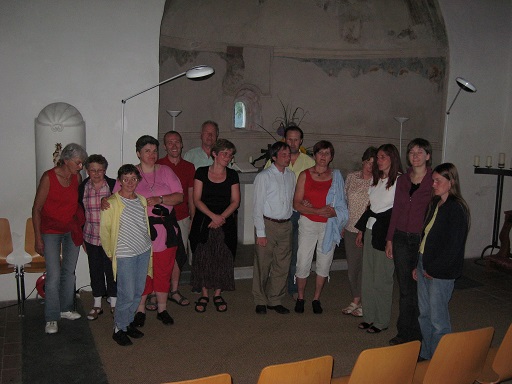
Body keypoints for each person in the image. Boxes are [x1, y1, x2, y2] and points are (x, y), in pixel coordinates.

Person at [107, 135, 184, 327]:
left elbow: (179, 196)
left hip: (165, 230)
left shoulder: (165, 171)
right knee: (143, 272)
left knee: (163, 270)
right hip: (139, 231)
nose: (152, 154)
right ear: (138, 153)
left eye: (154, 150)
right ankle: (140, 309)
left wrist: (160, 199)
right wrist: (104, 201)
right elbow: (116, 198)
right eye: (147, 151)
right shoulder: (131, 173)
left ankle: (162, 308)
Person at [414, 163, 470, 360]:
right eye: (433, 180)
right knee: (424, 314)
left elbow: (454, 247)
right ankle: (426, 353)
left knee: (439, 320)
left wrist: (434, 269)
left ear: (451, 182)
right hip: (424, 263)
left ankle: (440, 360)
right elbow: (425, 236)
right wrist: (418, 265)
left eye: (438, 180)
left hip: (440, 270)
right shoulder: (435, 204)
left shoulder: (456, 209)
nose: (434, 184)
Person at [32, 143, 88, 334]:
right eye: (78, 163)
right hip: (50, 231)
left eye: (81, 163)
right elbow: (36, 209)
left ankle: (65, 309)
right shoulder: (48, 177)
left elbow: (78, 203)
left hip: (70, 229)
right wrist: (38, 238)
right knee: (54, 274)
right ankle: (51, 317)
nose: (80, 167)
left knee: (69, 272)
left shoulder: (76, 177)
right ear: (66, 160)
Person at [385, 139, 433, 346]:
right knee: (405, 289)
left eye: (420, 152)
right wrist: (389, 239)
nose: (415, 156)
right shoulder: (403, 180)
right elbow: (396, 210)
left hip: (422, 240)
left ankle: (422, 334)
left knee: (422, 289)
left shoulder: (435, 180)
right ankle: (404, 332)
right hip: (401, 238)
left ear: (428, 156)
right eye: (412, 152)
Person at [293, 140, 348, 314]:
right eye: (320, 153)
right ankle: (301, 297)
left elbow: (342, 205)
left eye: (327, 153)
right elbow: (296, 204)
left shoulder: (337, 176)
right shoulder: (304, 175)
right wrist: (316, 210)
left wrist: (336, 215)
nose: (323, 156)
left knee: (324, 263)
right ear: (314, 155)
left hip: (329, 226)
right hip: (308, 223)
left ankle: (316, 298)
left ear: (331, 157)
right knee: (303, 261)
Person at [100, 164, 152, 346]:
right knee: (126, 294)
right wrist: (109, 252)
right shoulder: (111, 203)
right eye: (125, 179)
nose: (130, 182)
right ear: (120, 181)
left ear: (138, 180)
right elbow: (105, 231)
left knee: (138, 292)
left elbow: (144, 225)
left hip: (143, 251)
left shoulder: (141, 200)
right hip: (125, 254)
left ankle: (127, 323)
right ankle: (118, 328)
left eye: (133, 179)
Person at [356, 143, 402, 333]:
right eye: (378, 157)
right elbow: (370, 207)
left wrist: (391, 239)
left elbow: (397, 212)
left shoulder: (399, 181)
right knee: (368, 277)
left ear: (392, 158)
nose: (379, 161)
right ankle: (369, 316)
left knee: (382, 279)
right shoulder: (376, 180)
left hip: (385, 233)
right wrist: (361, 231)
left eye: (383, 157)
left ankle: (381, 320)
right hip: (370, 229)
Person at [190, 139, 240, 313]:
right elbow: (196, 199)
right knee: (203, 256)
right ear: (215, 154)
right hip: (205, 220)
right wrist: (212, 216)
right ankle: (204, 293)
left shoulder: (233, 175)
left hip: (224, 221)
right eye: (224, 153)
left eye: (230, 154)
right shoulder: (201, 172)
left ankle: (218, 292)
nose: (228, 157)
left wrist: (221, 218)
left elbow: (235, 201)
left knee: (222, 257)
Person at [265, 125, 315, 298]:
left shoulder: (309, 162)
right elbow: (266, 183)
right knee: (277, 254)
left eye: (296, 139)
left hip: (300, 214)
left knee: (296, 252)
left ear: (301, 141)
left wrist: (309, 200)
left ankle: (293, 288)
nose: (292, 143)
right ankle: (274, 288)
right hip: (279, 215)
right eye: (289, 139)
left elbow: (315, 186)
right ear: (284, 140)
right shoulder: (275, 160)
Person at [253, 142, 296, 315]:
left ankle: (275, 299)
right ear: (274, 157)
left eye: (288, 154)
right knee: (263, 264)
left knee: (282, 265)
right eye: (283, 154)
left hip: (286, 224)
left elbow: (290, 200)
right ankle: (260, 299)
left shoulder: (291, 175)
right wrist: (261, 233)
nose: (287, 157)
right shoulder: (264, 176)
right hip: (268, 224)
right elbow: (257, 206)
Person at [156, 131, 195, 306]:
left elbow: (191, 194)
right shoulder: (157, 165)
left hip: (182, 217)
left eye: (177, 142)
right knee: (161, 256)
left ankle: (174, 290)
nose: (174, 145)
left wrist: (193, 217)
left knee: (179, 256)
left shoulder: (189, 166)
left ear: (182, 144)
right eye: (170, 142)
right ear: (164, 146)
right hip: (162, 219)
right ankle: (157, 291)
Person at [79, 154, 117, 320]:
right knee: (95, 270)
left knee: (112, 271)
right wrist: (81, 237)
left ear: (105, 170)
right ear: (87, 171)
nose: (96, 173)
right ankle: (97, 304)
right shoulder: (82, 187)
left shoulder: (113, 186)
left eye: (100, 170)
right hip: (90, 235)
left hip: (110, 238)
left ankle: (114, 303)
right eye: (93, 170)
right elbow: (80, 212)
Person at [341, 146, 377, 318]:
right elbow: (344, 201)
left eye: (374, 163)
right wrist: (341, 224)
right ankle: (355, 299)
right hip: (349, 227)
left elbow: (374, 208)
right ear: (363, 161)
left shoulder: (378, 181)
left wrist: (363, 231)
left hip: (368, 229)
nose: (370, 165)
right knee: (352, 267)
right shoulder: (351, 177)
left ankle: (365, 302)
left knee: (365, 268)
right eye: (368, 161)